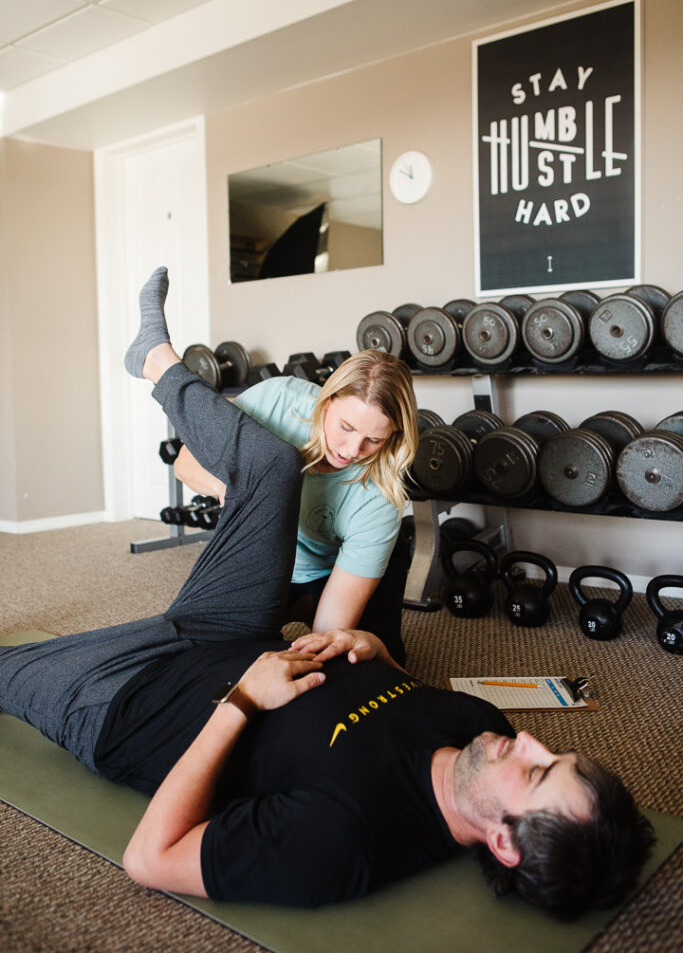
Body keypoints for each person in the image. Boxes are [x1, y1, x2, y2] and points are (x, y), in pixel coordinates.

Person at [0, 275, 654, 918]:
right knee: (273, 465)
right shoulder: (484, 733)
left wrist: (242, 702)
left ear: (504, 842)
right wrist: (367, 645)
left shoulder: (343, 842)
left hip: (124, 702)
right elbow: (384, 677)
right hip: (231, 623)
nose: (534, 741)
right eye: (556, 752)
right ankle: (156, 357)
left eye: (539, 773)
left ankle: (157, 366)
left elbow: (150, 859)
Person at [169, 268, 419, 663]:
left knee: (355, 667)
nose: (353, 449)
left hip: (334, 568)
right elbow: (185, 463)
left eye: (374, 439)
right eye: (346, 427)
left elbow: (325, 639)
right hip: (266, 559)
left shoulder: (380, 498)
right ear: (326, 400)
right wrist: (238, 492)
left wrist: (320, 645)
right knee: (197, 653)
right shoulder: (278, 400)